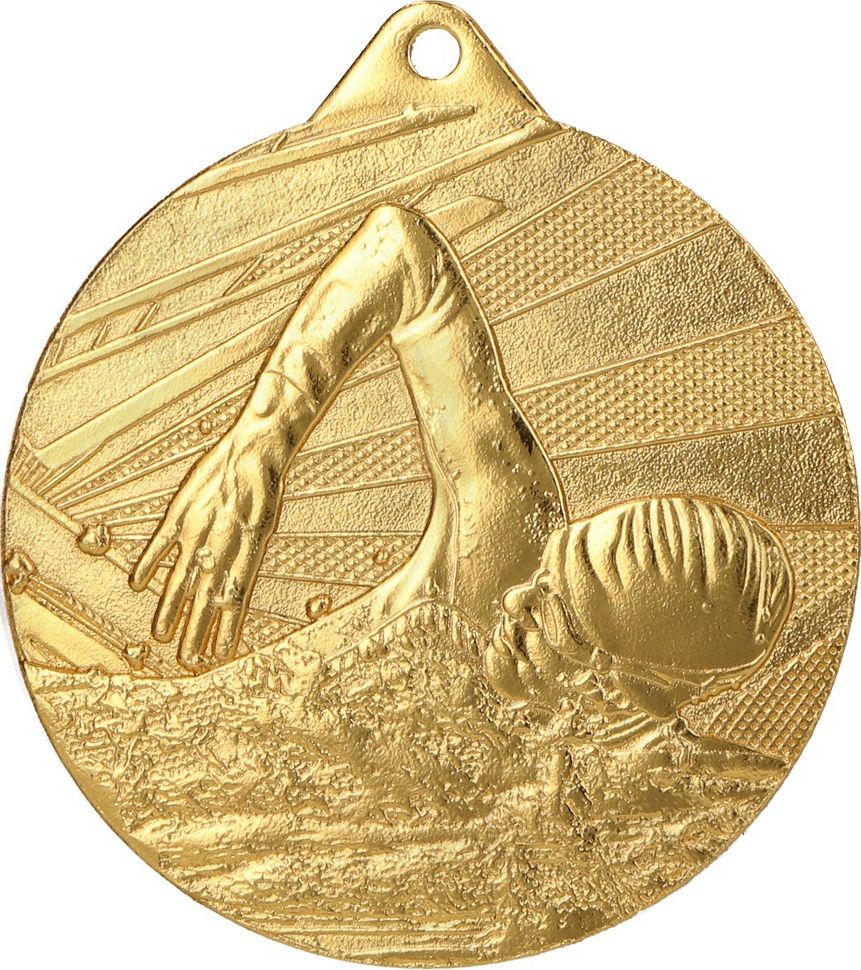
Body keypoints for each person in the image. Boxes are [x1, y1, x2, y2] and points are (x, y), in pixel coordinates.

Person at [130, 203, 793, 724]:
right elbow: (400, 250)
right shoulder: (506, 548)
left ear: (624, 693)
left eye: (557, 607)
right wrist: (261, 440)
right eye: (550, 564)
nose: (515, 594)